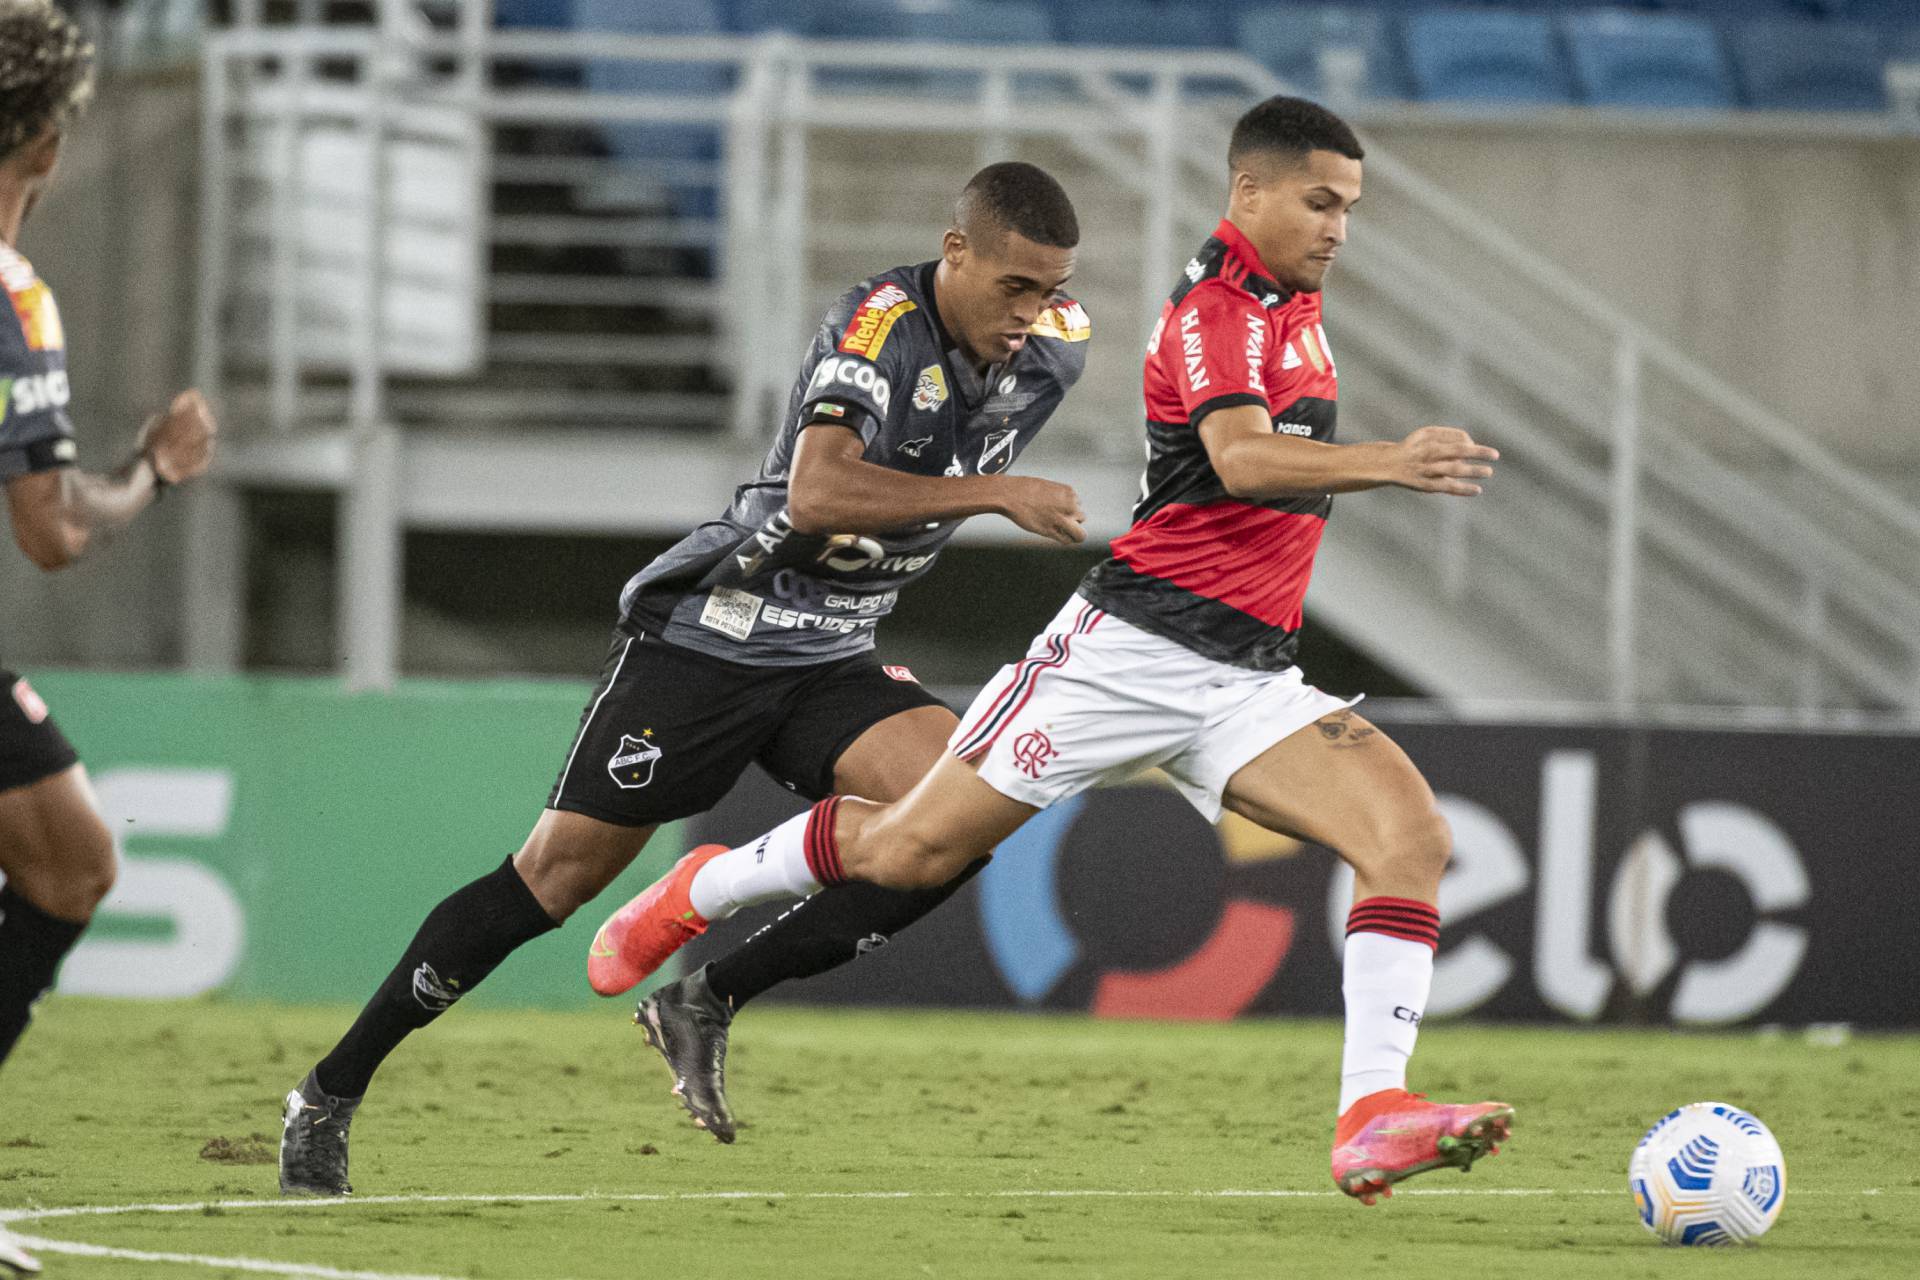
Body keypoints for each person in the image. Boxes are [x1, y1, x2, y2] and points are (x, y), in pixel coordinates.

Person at [594, 96, 1514, 1205]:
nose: (1337, 227)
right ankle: (708, 882)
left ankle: (1371, 1116)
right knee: (912, 850)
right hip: (1127, 651)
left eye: (1350, 208)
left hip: (1245, 675)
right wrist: (1391, 460)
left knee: (1408, 834)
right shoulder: (1213, 309)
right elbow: (1240, 459)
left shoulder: (1297, 311)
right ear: (1249, 192)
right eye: (1320, 202)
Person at [277, 161, 1092, 1194]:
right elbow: (815, 489)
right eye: (1013, 286)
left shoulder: (1058, 346)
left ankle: (705, 991)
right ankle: (329, 1091)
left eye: (1051, 289)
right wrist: (996, 490)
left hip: (833, 649)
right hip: (713, 629)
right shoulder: (879, 326)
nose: (1032, 314)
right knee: (552, 879)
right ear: (955, 250)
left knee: (966, 811)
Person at [0, 3, 220, 1272]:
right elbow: (50, 529)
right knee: (73, 867)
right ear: (48, 144)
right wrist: (155, 467)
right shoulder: (13, 294)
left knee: (67, 854)